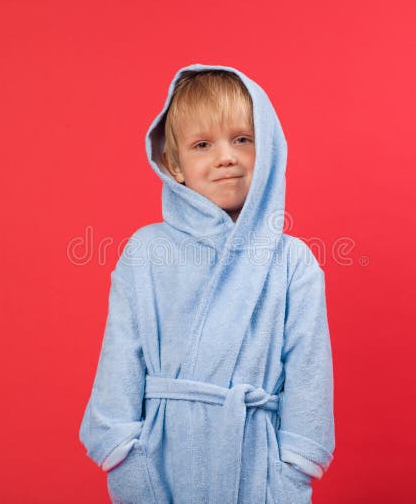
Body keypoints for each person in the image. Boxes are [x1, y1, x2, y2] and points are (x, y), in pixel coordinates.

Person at [79, 63, 335, 503]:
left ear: (268, 149)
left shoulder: (294, 261)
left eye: (242, 139)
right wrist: (121, 453)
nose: (226, 156)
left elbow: (309, 370)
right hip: (160, 457)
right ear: (174, 165)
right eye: (202, 144)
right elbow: (121, 354)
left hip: (257, 461)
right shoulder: (145, 252)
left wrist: (294, 466)